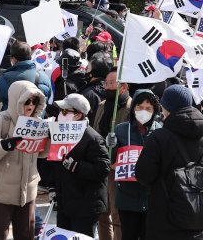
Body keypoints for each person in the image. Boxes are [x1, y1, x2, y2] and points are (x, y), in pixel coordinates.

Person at [0, 80, 47, 240]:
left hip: (27, 193)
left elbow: (41, 154)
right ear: (16, 100)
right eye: (26, 101)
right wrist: (4, 145)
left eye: (34, 101)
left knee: (26, 236)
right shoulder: (1, 121)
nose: (30, 105)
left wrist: (48, 140)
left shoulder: (38, 123)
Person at [135, 85, 203, 240]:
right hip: (198, 221)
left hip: (164, 221)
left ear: (166, 107)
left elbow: (143, 175)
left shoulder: (159, 137)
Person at [53, 93, 110, 237]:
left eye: (64, 111)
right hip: (66, 202)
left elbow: (103, 169)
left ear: (78, 115)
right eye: (60, 111)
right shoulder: (61, 134)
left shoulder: (93, 138)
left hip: (85, 205)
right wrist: (53, 187)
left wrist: (76, 166)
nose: (60, 115)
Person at [113, 89, 161, 240]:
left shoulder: (160, 131)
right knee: (128, 235)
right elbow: (112, 162)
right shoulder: (120, 129)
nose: (143, 111)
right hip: (127, 197)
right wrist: (110, 146)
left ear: (154, 110)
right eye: (139, 107)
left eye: (148, 108)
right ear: (133, 107)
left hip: (152, 198)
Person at [95, 68, 132, 240]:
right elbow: (95, 131)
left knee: (118, 216)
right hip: (101, 166)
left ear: (123, 87)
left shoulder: (132, 108)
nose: (107, 87)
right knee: (102, 212)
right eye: (106, 83)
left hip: (119, 168)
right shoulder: (102, 106)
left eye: (112, 83)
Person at [0, 40, 51, 109]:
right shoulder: (44, 76)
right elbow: (47, 99)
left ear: (13, 59)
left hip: (13, 115)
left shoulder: (7, 78)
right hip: (37, 115)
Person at [81, 52, 112, 121]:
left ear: (92, 73)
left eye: (88, 68)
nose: (85, 69)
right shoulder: (111, 90)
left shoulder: (88, 94)